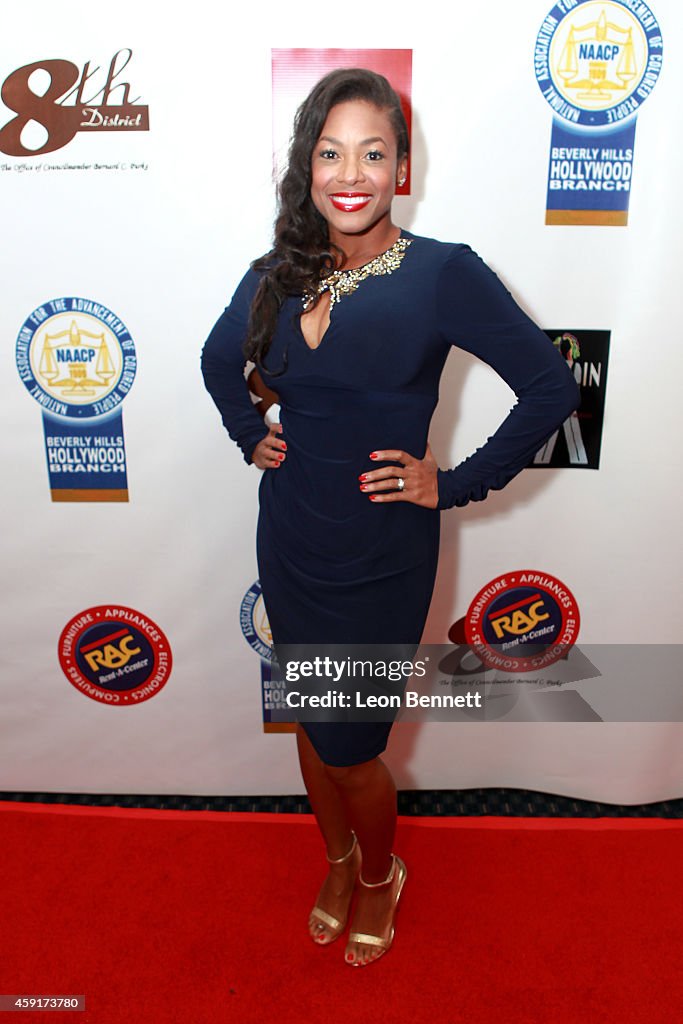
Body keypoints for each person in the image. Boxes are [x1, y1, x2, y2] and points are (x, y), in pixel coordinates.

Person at [201, 67, 580, 967]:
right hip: (292, 535)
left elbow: (549, 387)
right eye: (330, 152)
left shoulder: (444, 273)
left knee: (352, 748)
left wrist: (449, 485)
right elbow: (221, 362)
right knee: (310, 719)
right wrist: (247, 432)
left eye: (373, 152)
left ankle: (380, 874)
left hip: (379, 554)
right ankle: (336, 860)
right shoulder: (277, 272)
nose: (351, 172)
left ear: (401, 167)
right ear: (306, 166)